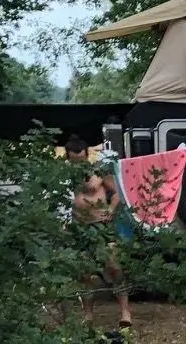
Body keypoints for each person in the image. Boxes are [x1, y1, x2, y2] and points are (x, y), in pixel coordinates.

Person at [64, 134, 132, 330]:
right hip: (80, 227)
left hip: (101, 225)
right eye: (74, 160)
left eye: (81, 159)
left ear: (87, 155)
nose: (78, 163)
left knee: (114, 266)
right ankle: (88, 314)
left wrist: (111, 209)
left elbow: (117, 193)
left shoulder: (99, 170)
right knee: (85, 273)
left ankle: (125, 311)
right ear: (68, 158)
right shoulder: (63, 175)